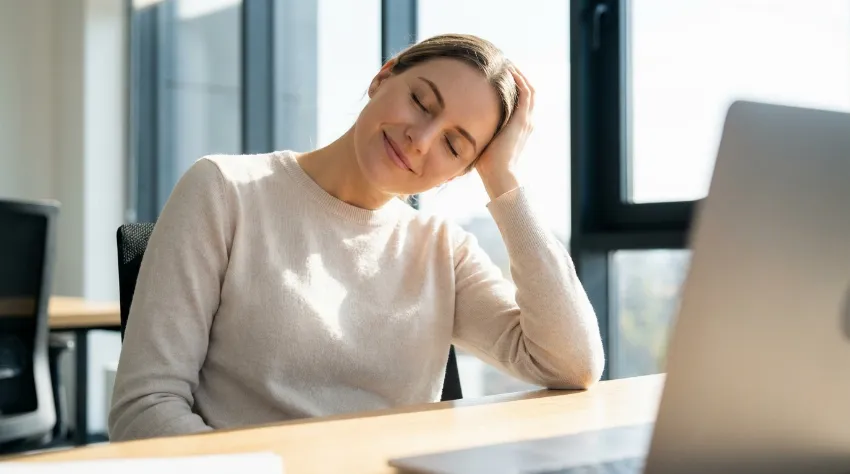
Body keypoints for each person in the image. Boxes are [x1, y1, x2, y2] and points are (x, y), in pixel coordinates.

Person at [108, 33, 605, 442]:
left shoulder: (442, 249)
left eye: (455, 146)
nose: (421, 139)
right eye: (420, 102)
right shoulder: (225, 190)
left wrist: (503, 181)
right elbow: (144, 410)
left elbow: (572, 363)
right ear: (382, 77)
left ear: (460, 173)